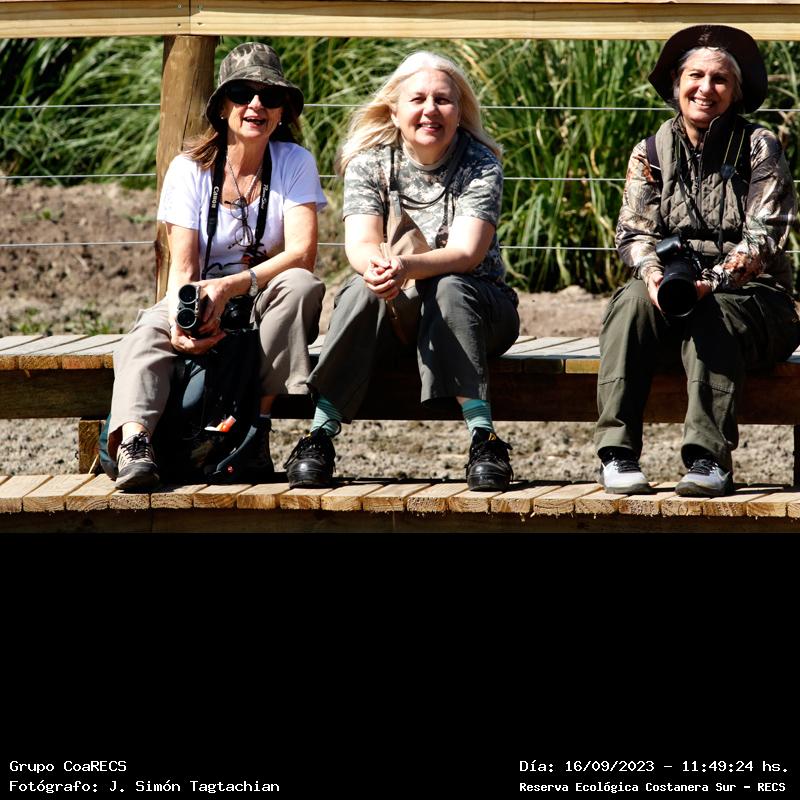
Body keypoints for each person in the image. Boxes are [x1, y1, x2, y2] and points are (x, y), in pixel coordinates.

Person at [283, 51, 520, 491]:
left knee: (450, 287)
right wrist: (380, 271)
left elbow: (467, 253)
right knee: (360, 289)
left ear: (459, 111)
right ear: (394, 111)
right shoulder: (368, 162)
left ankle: (484, 439)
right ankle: (319, 436)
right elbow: (360, 242)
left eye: (443, 100)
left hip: (481, 309)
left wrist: (405, 266)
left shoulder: (481, 163)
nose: (431, 110)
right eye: (418, 99)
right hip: (400, 308)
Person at [107, 42, 327, 489]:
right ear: (222, 107)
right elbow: (183, 267)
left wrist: (231, 286)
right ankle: (135, 444)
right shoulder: (188, 169)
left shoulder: (295, 162)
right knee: (148, 331)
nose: (256, 105)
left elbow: (302, 254)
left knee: (301, 285)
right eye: (242, 93)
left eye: (270, 96)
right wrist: (184, 320)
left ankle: (257, 431)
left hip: (261, 293)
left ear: (283, 111)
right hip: (198, 292)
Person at [595, 25, 799, 497]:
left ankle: (709, 460)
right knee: (629, 304)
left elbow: (764, 237)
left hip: (754, 298)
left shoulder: (759, 146)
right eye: (695, 76)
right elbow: (634, 233)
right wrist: (653, 277)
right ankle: (616, 453)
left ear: (736, 92)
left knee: (711, 311)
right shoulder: (650, 151)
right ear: (676, 83)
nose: (706, 88)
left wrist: (712, 281)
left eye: (720, 79)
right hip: (671, 289)